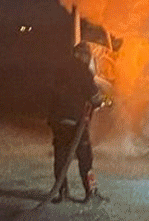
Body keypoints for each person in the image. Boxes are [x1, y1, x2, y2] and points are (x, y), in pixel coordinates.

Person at [48, 42, 105, 203]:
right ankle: (91, 192)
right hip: (76, 122)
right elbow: (94, 96)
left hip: (57, 121)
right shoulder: (82, 70)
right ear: (83, 56)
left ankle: (62, 192)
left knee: (61, 158)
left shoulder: (60, 69)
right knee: (85, 158)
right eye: (87, 56)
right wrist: (99, 101)